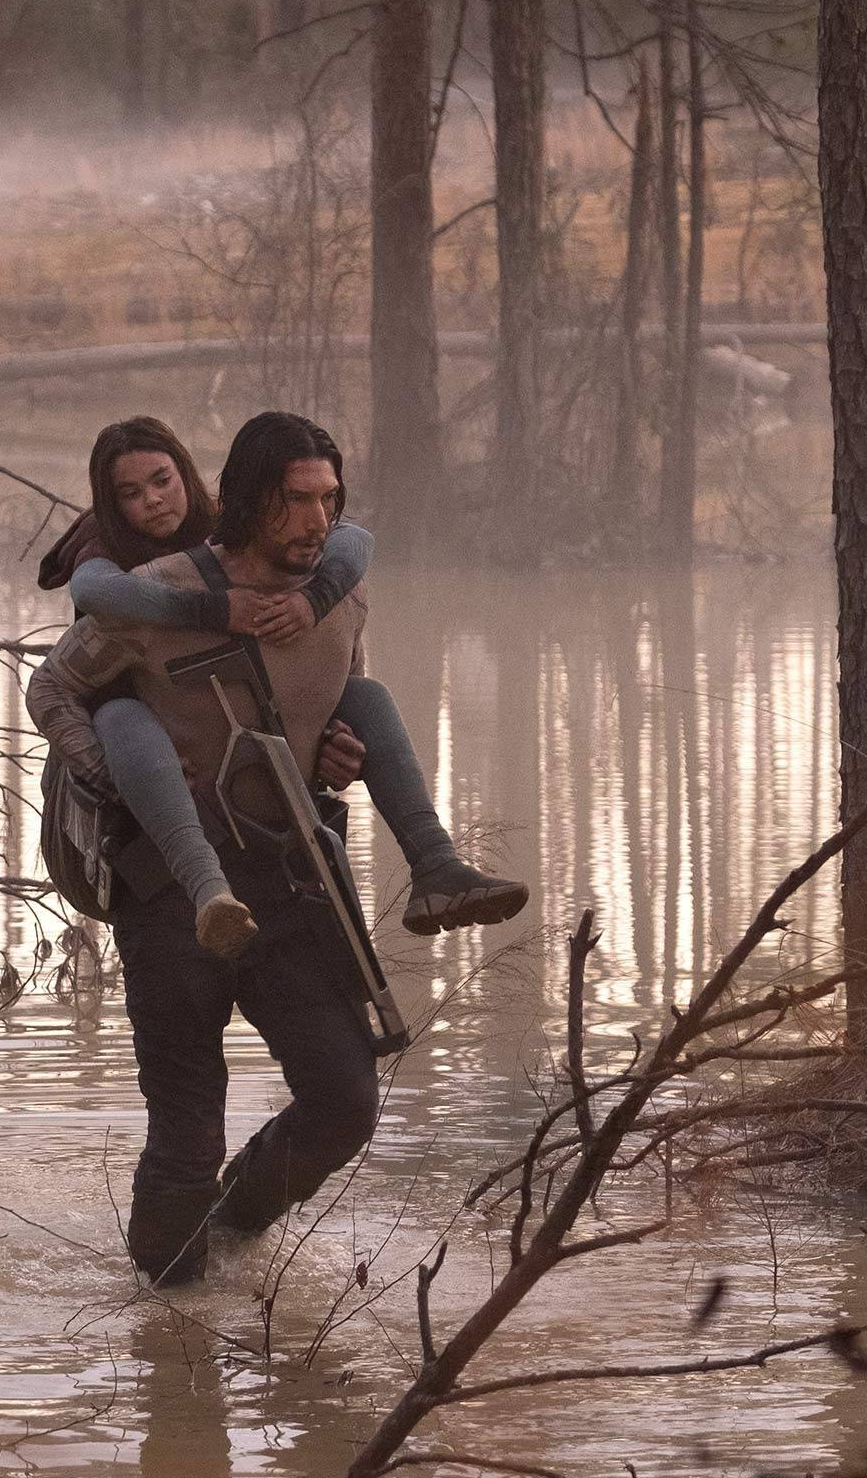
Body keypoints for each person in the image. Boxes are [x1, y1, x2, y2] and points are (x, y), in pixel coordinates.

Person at [27, 413, 417, 1284]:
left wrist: (339, 751)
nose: (317, 521)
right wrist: (115, 773)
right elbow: (51, 688)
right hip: (169, 889)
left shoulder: (343, 587)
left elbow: (338, 694)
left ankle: (233, 1232)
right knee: (187, 1128)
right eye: (294, 502)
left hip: (291, 877)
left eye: (328, 500)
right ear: (248, 502)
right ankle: (168, 1321)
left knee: (346, 1103)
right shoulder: (145, 587)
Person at [37, 416, 525, 958]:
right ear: (110, 503)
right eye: (131, 492)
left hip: (272, 813)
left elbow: (354, 542)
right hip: (145, 767)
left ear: (187, 475)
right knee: (120, 718)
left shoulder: (251, 532)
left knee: (366, 698)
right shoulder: (106, 555)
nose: (152, 500)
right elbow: (84, 612)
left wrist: (329, 736)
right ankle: (205, 890)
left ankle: (434, 862)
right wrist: (214, 608)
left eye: (163, 480)